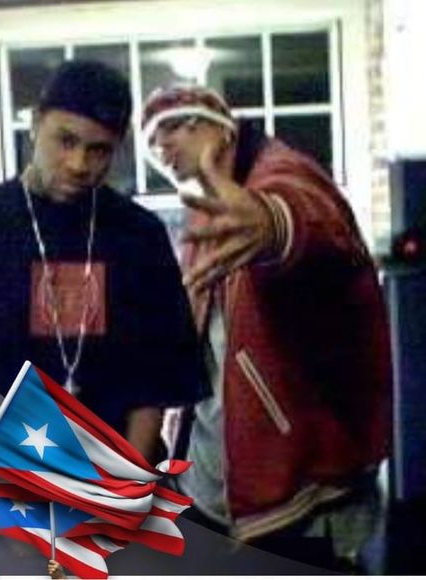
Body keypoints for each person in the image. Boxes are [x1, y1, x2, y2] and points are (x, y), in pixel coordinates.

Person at [0, 60, 207, 462]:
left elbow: (156, 379)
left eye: (98, 150)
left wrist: (128, 482)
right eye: (65, 141)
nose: (79, 164)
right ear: (35, 124)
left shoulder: (139, 236)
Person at [142, 85, 392, 568]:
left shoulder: (281, 175)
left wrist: (274, 224)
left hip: (297, 491)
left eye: (173, 127)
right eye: (152, 141)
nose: (162, 146)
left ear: (220, 128)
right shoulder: (205, 208)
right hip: (210, 484)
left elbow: (313, 224)